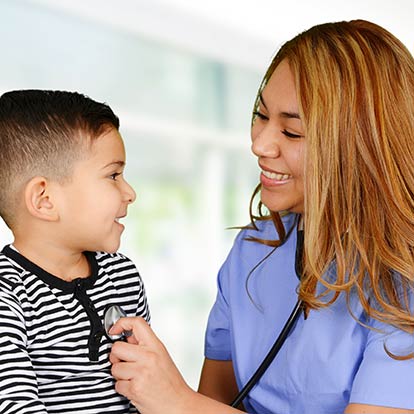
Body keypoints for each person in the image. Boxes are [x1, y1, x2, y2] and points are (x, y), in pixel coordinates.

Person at [110, 19, 414, 414]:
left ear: (361, 145)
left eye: (291, 132)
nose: (259, 143)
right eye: (260, 115)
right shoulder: (252, 251)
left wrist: (176, 400)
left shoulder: (401, 286)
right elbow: (218, 402)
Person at [0, 90, 150, 413]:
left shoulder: (124, 276)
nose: (130, 193)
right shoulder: (7, 294)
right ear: (45, 199)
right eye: (113, 175)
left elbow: (150, 394)